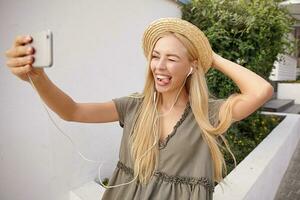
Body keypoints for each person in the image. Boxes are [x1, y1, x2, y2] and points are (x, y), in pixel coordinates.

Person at [5, 18, 273, 200]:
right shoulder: (133, 106)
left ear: (191, 66)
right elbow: (72, 111)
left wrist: (209, 57)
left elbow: (261, 91)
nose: (159, 66)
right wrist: (38, 78)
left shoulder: (208, 114)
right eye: (156, 57)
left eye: (171, 58)